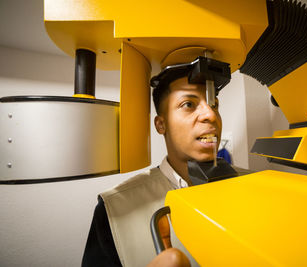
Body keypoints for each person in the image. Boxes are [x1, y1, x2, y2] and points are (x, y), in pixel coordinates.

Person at [82, 70, 252, 267]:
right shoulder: (114, 208)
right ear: (161, 124)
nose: (210, 114)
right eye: (188, 104)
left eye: (214, 104)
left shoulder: (258, 186)